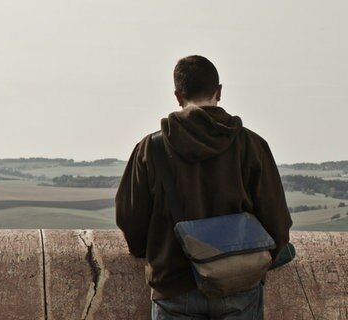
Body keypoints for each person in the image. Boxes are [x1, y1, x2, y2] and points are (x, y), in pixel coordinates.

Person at [115, 55, 292, 319]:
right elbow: (277, 221)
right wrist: (252, 267)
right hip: (239, 288)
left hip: (173, 287)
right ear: (218, 92)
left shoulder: (150, 149)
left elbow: (130, 218)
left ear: (178, 96)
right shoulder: (252, 146)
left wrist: (154, 255)